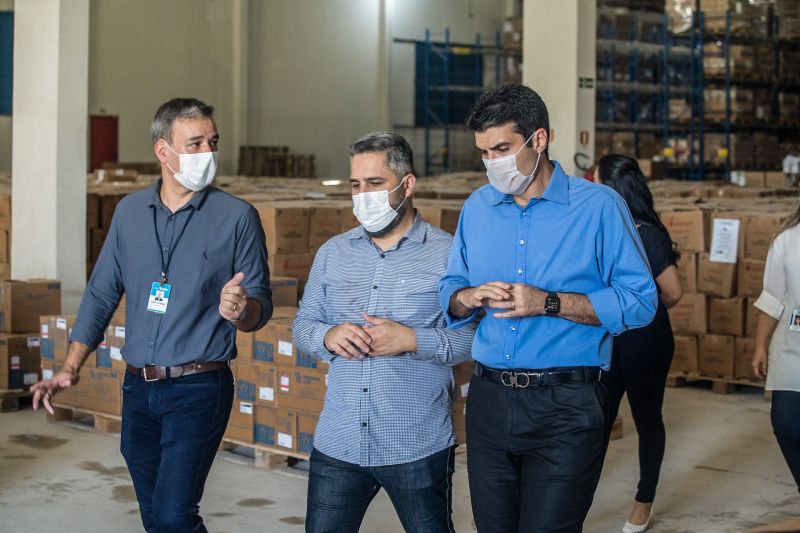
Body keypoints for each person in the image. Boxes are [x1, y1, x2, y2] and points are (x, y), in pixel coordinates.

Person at [30, 98, 273, 533]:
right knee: (153, 515)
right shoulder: (129, 214)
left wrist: (241, 310)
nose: (207, 154)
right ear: (163, 151)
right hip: (138, 387)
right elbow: (101, 293)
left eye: (212, 143)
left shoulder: (237, 218)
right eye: (194, 143)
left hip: (199, 386)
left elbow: (259, 307)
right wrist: (69, 368)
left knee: (175, 514)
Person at [438, 83, 658, 532]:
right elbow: (452, 287)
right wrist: (467, 297)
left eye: (501, 148)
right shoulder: (477, 208)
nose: (491, 163)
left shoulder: (599, 208)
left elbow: (640, 302)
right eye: (483, 153)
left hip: (567, 405)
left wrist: (549, 302)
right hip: (489, 401)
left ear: (539, 139)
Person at [293, 132, 475, 533]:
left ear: (406, 185)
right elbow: (302, 326)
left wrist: (412, 339)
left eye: (374, 184)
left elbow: (474, 341)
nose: (363, 196)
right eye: (355, 185)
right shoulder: (332, 253)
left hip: (416, 444)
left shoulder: (449, 255)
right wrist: (327, 336)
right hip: (338, 441)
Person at [594, 155, 683, 533]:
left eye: (595, 181)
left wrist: (636, 305)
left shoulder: (647, 233)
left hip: (646, 341)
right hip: (605, 339)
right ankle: (573, 497)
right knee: (595, 420)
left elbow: (674, 293)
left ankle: (642, 502)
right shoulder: (597, 230)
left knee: (648, 420)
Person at [752, 199, 800, 494]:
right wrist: (760, 345)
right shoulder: (787, 240)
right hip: (792, 348)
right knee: (786, 423)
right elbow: (772, 297)